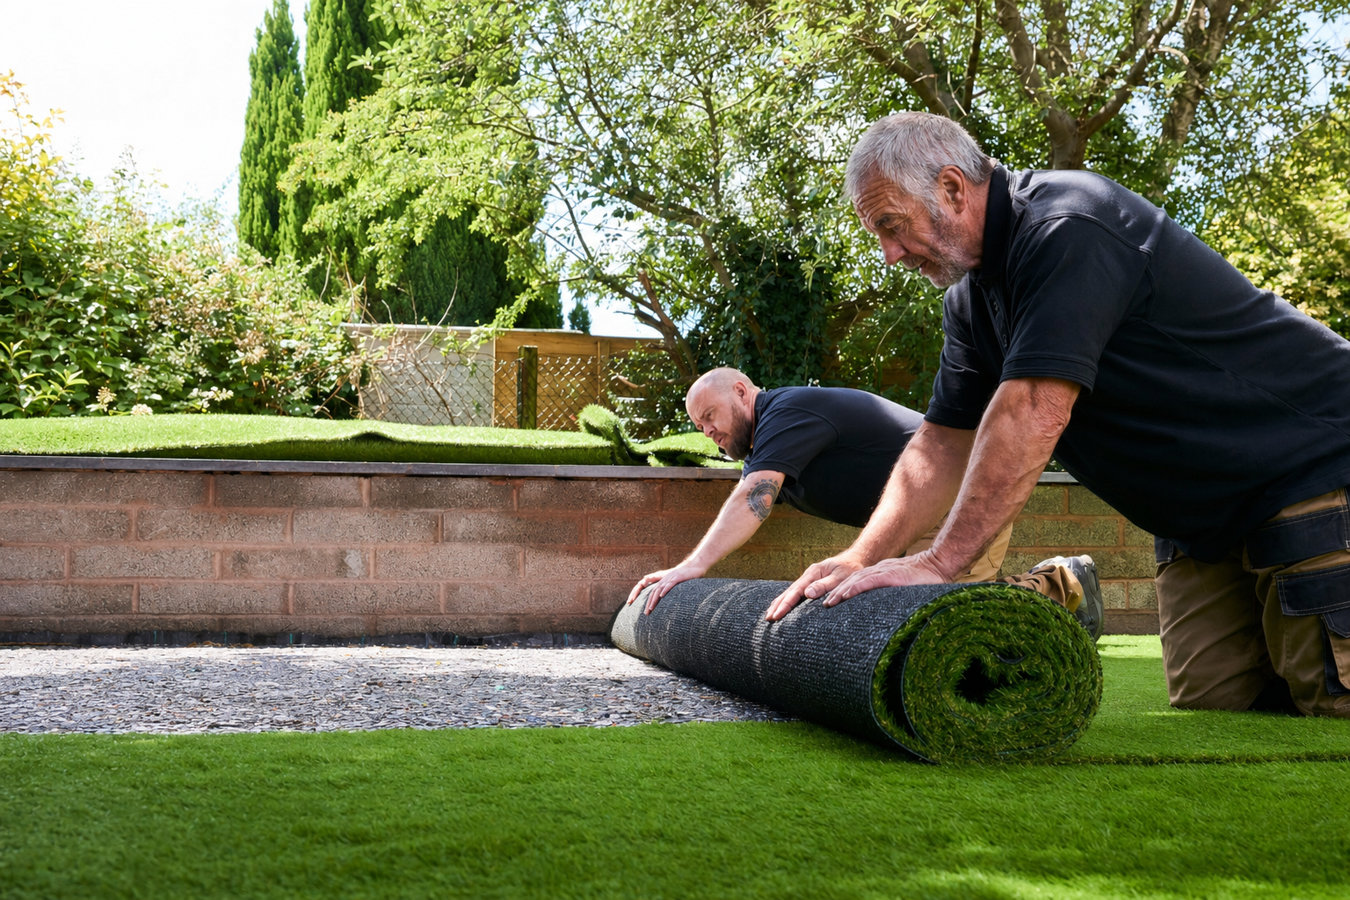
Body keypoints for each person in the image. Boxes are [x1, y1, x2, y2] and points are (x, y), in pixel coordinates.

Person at [768, 111, 1350, 718]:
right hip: (1202, 523)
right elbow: (940, 444)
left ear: (950, 188)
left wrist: (941, 564)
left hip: (1309, 467)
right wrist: (861, 559)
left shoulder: (1069, 225)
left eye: (892, 226)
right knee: (1217, 706)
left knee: (1332, 705)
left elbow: (1032, 409)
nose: (889, 254)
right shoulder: (971, 299)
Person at [627, 367, 1102, 636]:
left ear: (741, 391)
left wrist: (692, 566)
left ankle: (1061, 582)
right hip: (910, 523)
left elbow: (753, 497)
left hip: (961, 502)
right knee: (899, 621)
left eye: (710, 415)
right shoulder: (767, 448)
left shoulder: (784, 411)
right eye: (700, 425)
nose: (708, 431)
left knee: (950, 620)